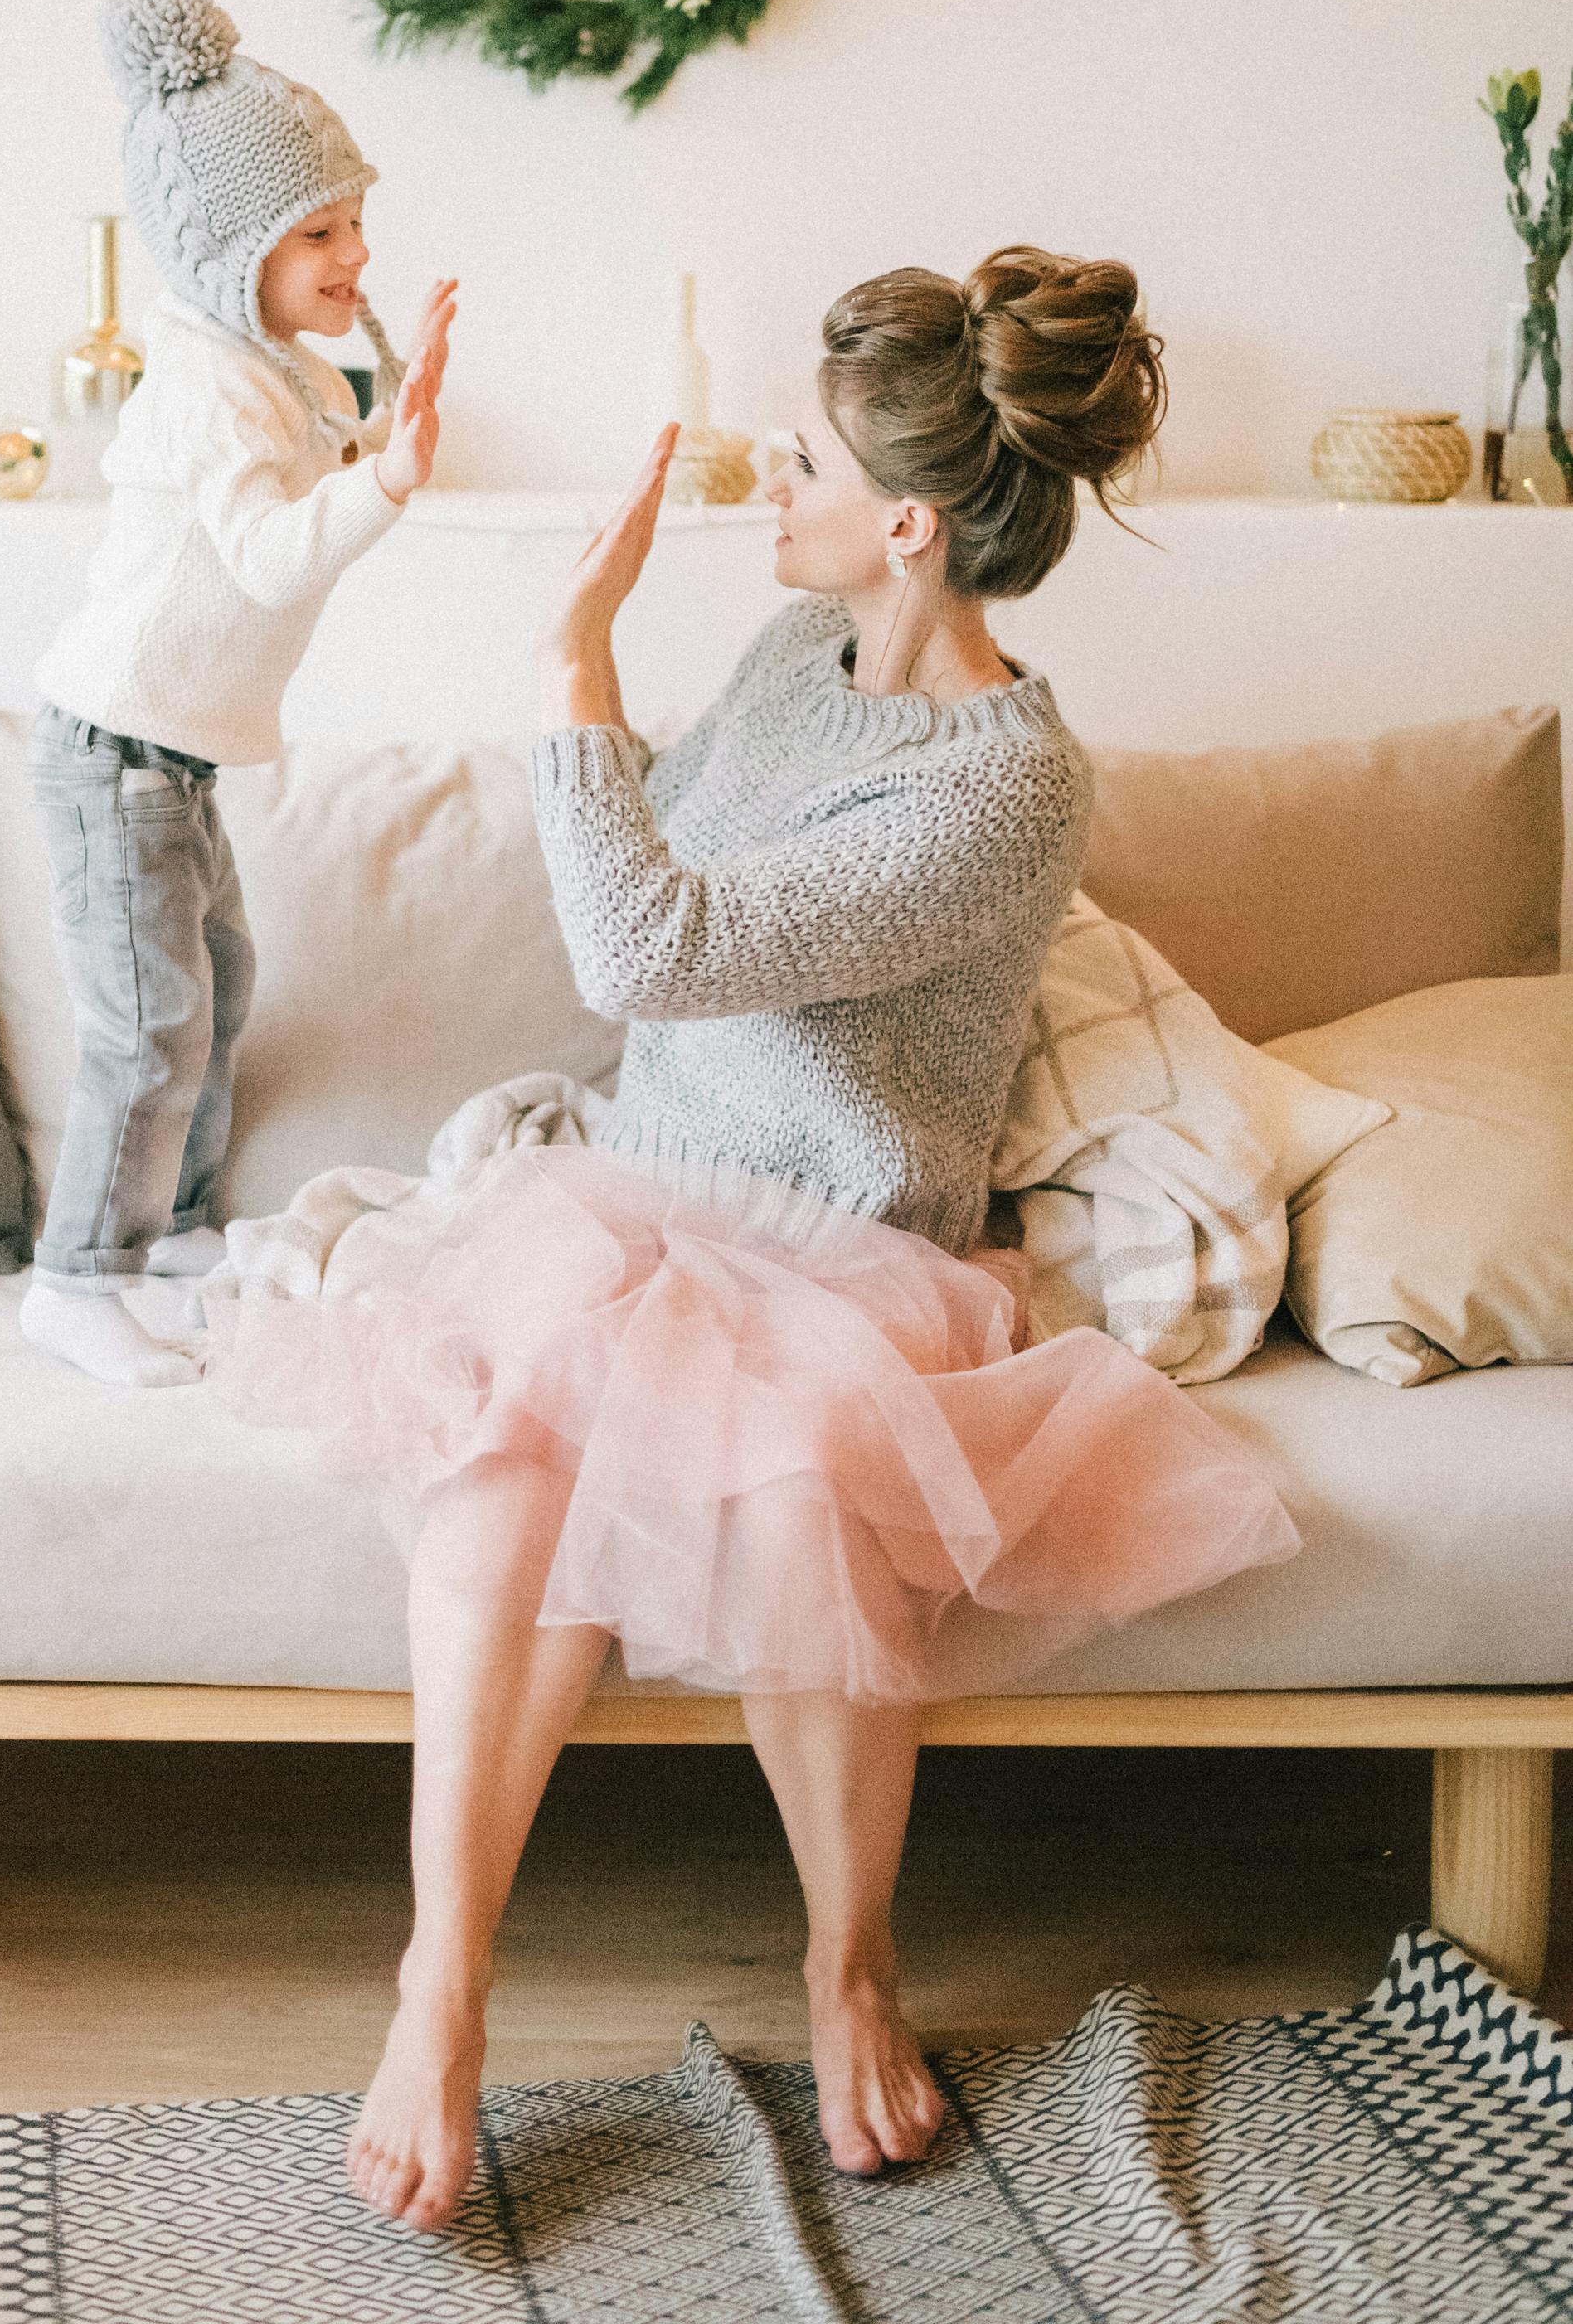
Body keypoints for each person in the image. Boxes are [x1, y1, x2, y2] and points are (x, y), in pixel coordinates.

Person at [211, 245, 1299, 2226]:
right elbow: (670, 901)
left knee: (800, 1476)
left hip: (849, 1245)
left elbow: (649, 931)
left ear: (905, 518)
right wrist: (623, 750)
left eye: (795, 460)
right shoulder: (804, 658)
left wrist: (574, 661)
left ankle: (847, 1965)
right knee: (509, 1447)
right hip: (645, 1179)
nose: (759, 484)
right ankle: (439, 1986)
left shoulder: (1010, 781)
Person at [22, 0, 454, 1389]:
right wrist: (388, 470)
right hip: (111, 753)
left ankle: (180, 1228)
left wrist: (386, 403)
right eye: (317, 230)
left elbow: (311, 469)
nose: (353, 251)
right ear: (230, 252)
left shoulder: (265, 368)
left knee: (218, 985)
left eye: (352, 223)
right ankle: (75, 1276)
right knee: (149, 1022)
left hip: (169, 757)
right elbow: (271, 560)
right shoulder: (209, 387)